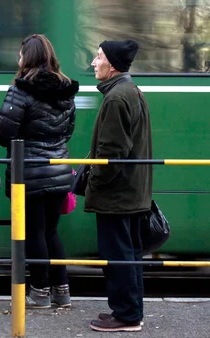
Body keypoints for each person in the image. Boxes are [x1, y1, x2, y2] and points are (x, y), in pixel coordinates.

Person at [0, 34, 79, 309]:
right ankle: (62, 291)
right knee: (51, 232)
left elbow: (2, 132)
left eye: (20, 55)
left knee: (34, 233)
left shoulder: (21, 89)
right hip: (58, 169)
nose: (18, 60)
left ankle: (39, 292)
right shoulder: (66, 89)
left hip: (28, 172)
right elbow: (68, 131)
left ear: (27, 58)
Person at [86, 40, 152, 333]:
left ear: (111, 64)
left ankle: (126, 315)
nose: (93, 62)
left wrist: (94, 183)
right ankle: (129, 311)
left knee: (119, 255)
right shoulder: (131, 91)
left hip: (117, 194)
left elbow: (111, 154)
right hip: (132, 192)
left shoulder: (116, 98)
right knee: (129, 254)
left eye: (97, 57)